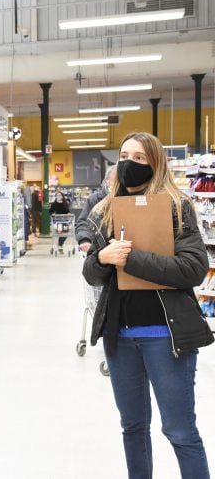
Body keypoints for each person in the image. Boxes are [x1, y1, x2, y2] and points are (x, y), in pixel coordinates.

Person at [82, 132, 213, 478]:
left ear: (155, 163)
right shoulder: (107, 209)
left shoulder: (176, 206)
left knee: (180, 431)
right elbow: (91, 274)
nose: (129, 163)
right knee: (133, 428)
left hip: (166, 337)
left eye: (140, 157)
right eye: (124, 155)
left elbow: (193, 269)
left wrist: (130, 259)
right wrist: (102, 258)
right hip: (119, 337)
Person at [76, 165, 117, 253]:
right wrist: (84, 239)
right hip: (98, 250)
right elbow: (83, 222)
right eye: (115, 180)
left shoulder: (126, 199)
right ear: (107, 181)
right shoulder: (94, 199)